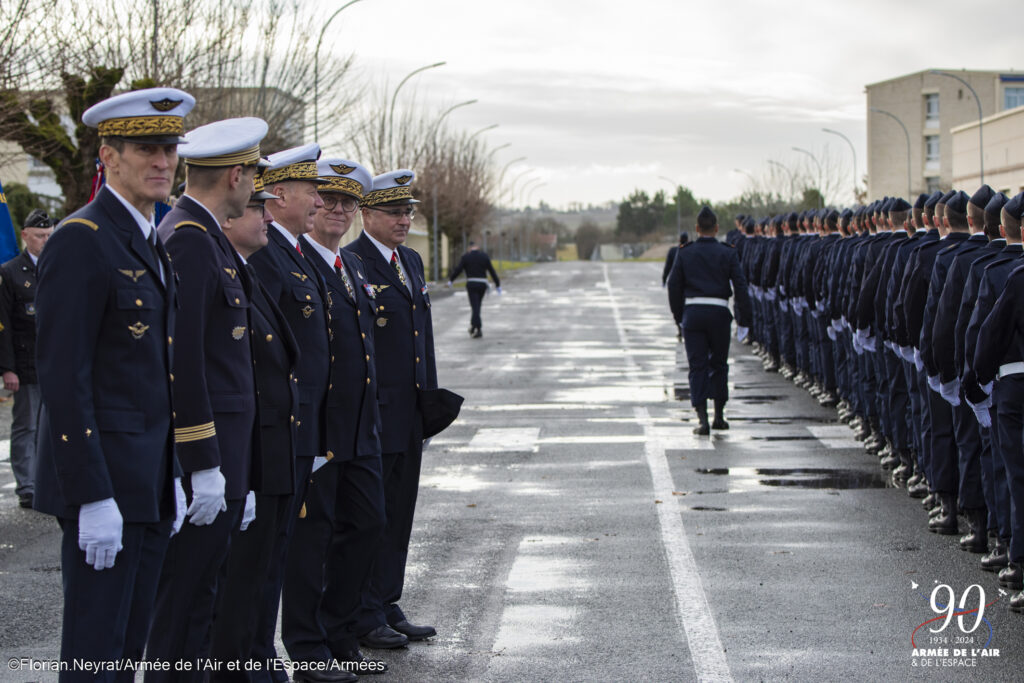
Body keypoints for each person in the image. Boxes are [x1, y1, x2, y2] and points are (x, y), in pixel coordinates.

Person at [33, 87, 191, 679]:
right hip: (103, 485)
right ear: (109, 155)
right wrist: (92, 496)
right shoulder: (83, 238)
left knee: (128, 650)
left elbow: (157, 372)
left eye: (169, 148)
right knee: (96, 655)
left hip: (148, 480)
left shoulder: (149, 239)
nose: (161, 162)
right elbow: (63, 377)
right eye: (146, 148)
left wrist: (171, 474)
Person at [147, 118, 268, 678]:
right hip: (206, 457)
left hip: (225, 455)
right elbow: (185, 360)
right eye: (255, 177)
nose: (255, 192)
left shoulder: (206, 235)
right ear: (236, 175)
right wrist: (202, 465)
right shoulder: (190, 241)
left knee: (204, 596)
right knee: (185, 604)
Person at [283, 158, 386, 676]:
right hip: (318, 431)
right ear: (311, 203)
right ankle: (306, 644)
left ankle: (340, 629)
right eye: (328, 199)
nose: (339, 210)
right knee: (311, 538)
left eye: (349, 202)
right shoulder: (294, 264)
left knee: (367, 524)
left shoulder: (354, 268)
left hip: (359, 429)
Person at [247, 144, 339, 682]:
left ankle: (272, 658)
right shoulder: (267, 254)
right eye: (312, 192)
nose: (320, 201)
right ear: (279, 195)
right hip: (279, 431)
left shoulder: (295, 252)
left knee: (287, 550)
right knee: (265, 559)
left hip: (305, 429)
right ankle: (264, 660)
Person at [208, 170, 303, 678]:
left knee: (263, 572)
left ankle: (255, 659)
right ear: (226, 218)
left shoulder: (245, 271)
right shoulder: (225, 266)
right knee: (238, 577)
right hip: (241, 453)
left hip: (269, 448)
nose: (266, 215)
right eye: (255, 207)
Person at [346, 170, 438, 649]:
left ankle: (386, 599)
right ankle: (363, 610)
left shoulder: (411, 261)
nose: (404, 219)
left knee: (400, 511)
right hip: (375, 413)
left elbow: (422, 338)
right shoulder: (352, 262)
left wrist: (430, 399)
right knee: (370, 517)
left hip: (410, 410)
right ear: (367, 214)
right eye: (393, 212)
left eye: (408, 211)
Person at [667, 205, 751, 435]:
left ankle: (702, 418)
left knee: (697, 366)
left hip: (693, 314)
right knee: (719, 365)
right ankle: (719, 415)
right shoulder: (728, 252)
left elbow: (674, 286)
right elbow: (741, 287)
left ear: (696, 229)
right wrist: (745, 318)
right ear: (716, 228)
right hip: (718, 313)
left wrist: (679, 317)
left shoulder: (685, 252)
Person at [0, 208, 53, 508]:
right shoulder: (10, 272)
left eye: (48, 236)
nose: (44, 241)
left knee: (51, 425)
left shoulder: (55, 266)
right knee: (26, 426)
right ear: (24, 236)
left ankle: (45, 481)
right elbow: (4, 326)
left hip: (52, 362)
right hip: (25, 363)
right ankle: (28, 485)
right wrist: (8, 369)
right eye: (39, 236)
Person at [447, 241, 501, 338]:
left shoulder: (466, 257)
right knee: (477, 306)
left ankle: (478, 329)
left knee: (475, 307)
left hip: (472, 284)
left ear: (469, 247)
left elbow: (458, 269)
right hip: (482, 285)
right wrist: (497, 284)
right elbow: (491, 270)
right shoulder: (484, 256)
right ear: (477, 247)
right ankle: (473, 326)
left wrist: (451, 280)